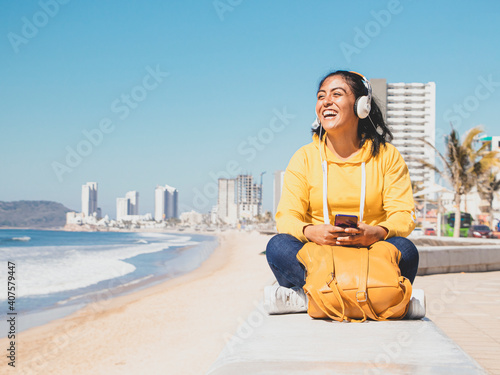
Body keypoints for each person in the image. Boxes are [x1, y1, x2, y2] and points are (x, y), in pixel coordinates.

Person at [264, 70, 424, 318]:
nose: (326, 101)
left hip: (371, 254)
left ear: (362, 105)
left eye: (337, 94)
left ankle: (310, 298)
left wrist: (376, 232)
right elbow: (286, 217)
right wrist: (311, 232)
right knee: (277, 246)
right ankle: (382, 297)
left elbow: (404, 215)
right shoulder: (304, 157)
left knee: (406, 249)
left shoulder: (386, 155)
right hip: (320, 255)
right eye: (321, 96)